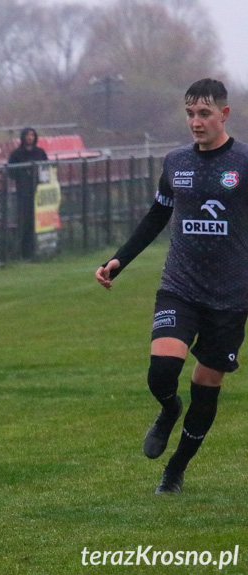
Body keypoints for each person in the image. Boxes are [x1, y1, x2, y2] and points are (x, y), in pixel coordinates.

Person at [95, 78, 248, 495]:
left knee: (207, 386)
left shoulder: (245, 162)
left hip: (232, 296)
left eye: (204, 113)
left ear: (224, 114)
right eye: (189, 113)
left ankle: (175, 469)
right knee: (162, 371)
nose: (195, 122)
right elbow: (155, 217)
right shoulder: (175, 162)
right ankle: (168, 408)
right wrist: (118, 260)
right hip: (180, 286)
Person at [7, 127, 48, 259]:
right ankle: (24, 252)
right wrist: (23, 174)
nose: (30, 138)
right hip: (23, 193)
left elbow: (46, 169)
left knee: (38, 221)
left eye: (32, 135)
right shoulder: (16, 154)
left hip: (38, 193)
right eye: (28, 135)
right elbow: (11, 172)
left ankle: (39, 249)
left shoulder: (40, 152)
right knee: (24, 222)